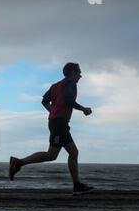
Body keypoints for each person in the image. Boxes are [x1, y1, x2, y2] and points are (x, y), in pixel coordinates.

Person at [9, 63, 94, 195]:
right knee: (52, 154)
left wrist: (52, 113)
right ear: (72, 73)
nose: (80, 76)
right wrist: (83, 109)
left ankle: (77, 185)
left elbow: (44, 101)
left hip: (58, 122)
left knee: (73, 152)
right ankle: (18, 162)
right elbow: (68, 99)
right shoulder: (70, 82)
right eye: (79, 72)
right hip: (59, 122)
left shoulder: (56, 85)